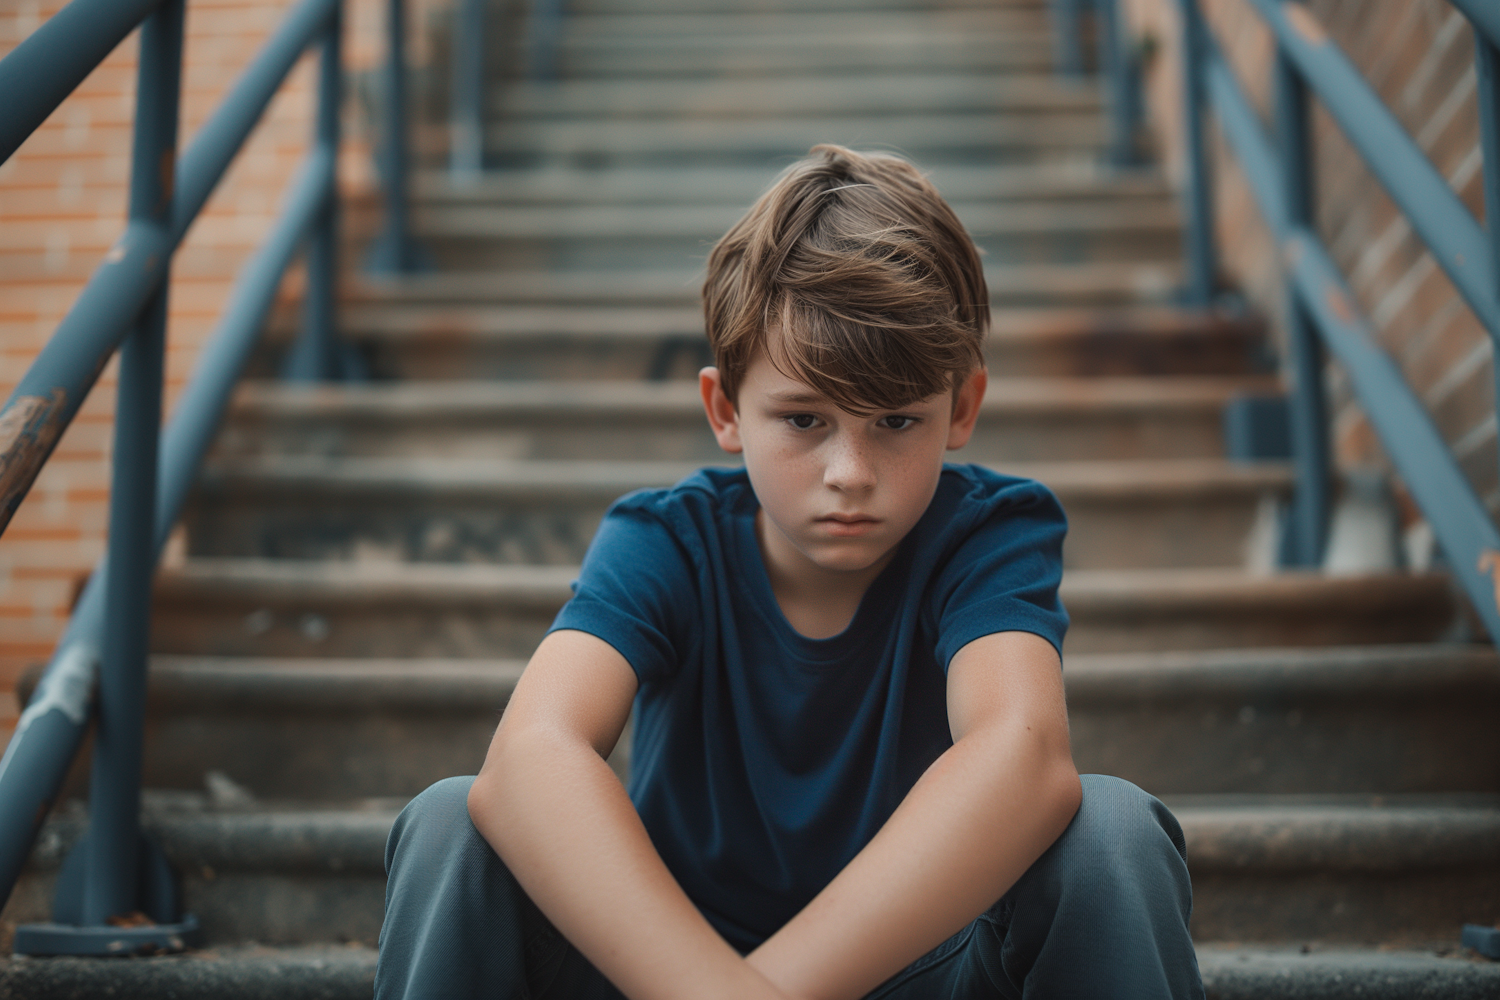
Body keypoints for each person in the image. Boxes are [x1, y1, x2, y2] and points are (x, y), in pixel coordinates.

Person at [375, 145, 1205, 1000]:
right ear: (725, 411)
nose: (850, 471)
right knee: (452, 822)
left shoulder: (986, 532)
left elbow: (1022, 756)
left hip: (910, 973)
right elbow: (532, 755)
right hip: (664, 974)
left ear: (961, 409)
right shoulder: (668, 538)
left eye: (894, 419)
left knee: (1110, 830)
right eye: (804, 418)